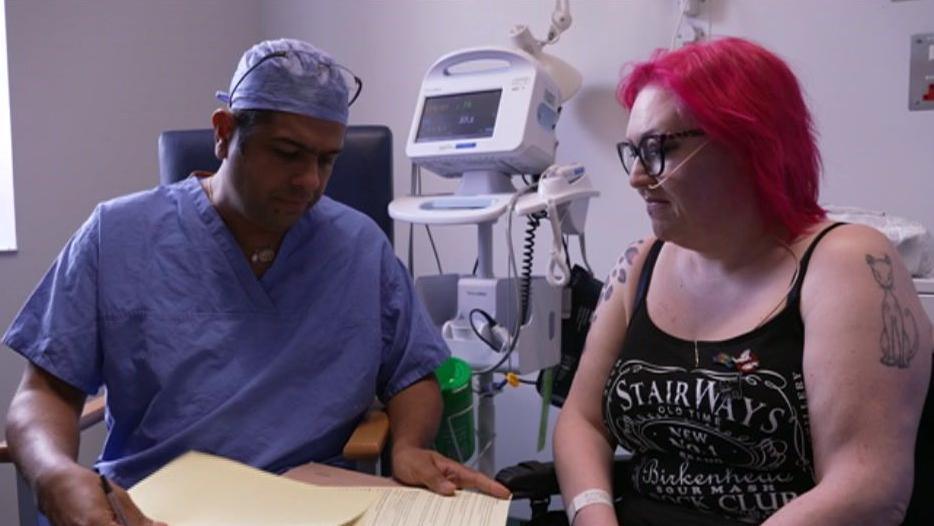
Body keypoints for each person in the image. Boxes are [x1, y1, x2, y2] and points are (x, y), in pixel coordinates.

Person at [3, 38, 509, 526]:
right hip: (151, 508)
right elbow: (44, 391)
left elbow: (412, 371)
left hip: (317, 506)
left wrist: (409, 446)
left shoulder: (358, 246)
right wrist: (52, 472)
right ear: (224, 132)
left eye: (326, 159)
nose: (309, 180)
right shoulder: (117, 237)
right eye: (288, 153)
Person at [553, 37, 932, 526]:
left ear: (746, 142)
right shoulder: (640, 264)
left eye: (658, 149)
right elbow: (582, 421)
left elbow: (869, 488)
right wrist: (593, 515)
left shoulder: (847, 263)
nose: (638, 177)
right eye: (634, 152)